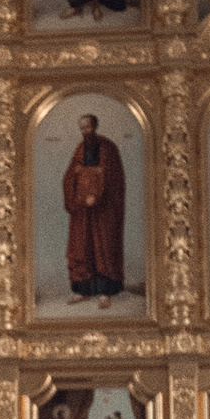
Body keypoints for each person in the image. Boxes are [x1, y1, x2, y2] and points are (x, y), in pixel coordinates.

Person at [62, 111, 127, 297]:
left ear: (95, 127)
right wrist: (79, 196)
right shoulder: (79, 149)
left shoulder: (108, 148)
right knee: (82, 245)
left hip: (104, 211)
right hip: (83, 210)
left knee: (103, 246)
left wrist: (96, 196)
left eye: (88, 127)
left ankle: (106, 291)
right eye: (82, 128)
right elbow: (69, 176)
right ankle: (83, 290)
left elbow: (112, 178)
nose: (85, 131)